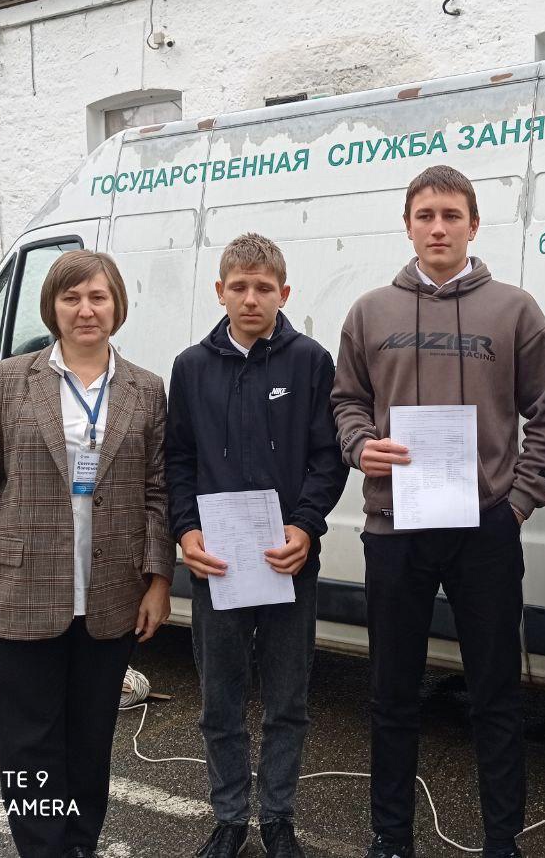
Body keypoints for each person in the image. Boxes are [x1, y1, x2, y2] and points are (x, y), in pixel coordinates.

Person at [331, 165, 545, 858]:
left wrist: (519, 502)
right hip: (394, 527)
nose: (438, 227)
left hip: (485, 527)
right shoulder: (370, 312)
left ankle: (502, 840)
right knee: (392, 693)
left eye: (451, 215)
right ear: (407, 225)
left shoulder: (514, 310)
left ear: (474, 225)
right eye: (425, 215)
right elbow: (346, 400)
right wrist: (359, 446)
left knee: (495, 693)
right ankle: (391, 837)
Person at [0, 249, 173, 858]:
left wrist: (158, 580)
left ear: (117, 306)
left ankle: (80, 846)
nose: (85, 310)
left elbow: (156, 490)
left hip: (110, 596)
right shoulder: (9, 380)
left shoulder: (146, 389)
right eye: (72, 298)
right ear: (53, 308)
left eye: (98, 297)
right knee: (29, 746)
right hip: (21, 592)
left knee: (90, 743)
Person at [165, 233, 348, 858]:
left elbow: (328, 457)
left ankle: (277, 818)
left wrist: (307, 526)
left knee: (287, 701)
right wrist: (185, 530)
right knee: (220, 699)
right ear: (219, 291)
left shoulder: (311, 362)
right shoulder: (191, 367)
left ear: (284, 293)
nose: (251, 298)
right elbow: (178, 459)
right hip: (217, 565)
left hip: (288, 562)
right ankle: (229, 817)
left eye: (263, 288)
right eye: (239, 287)